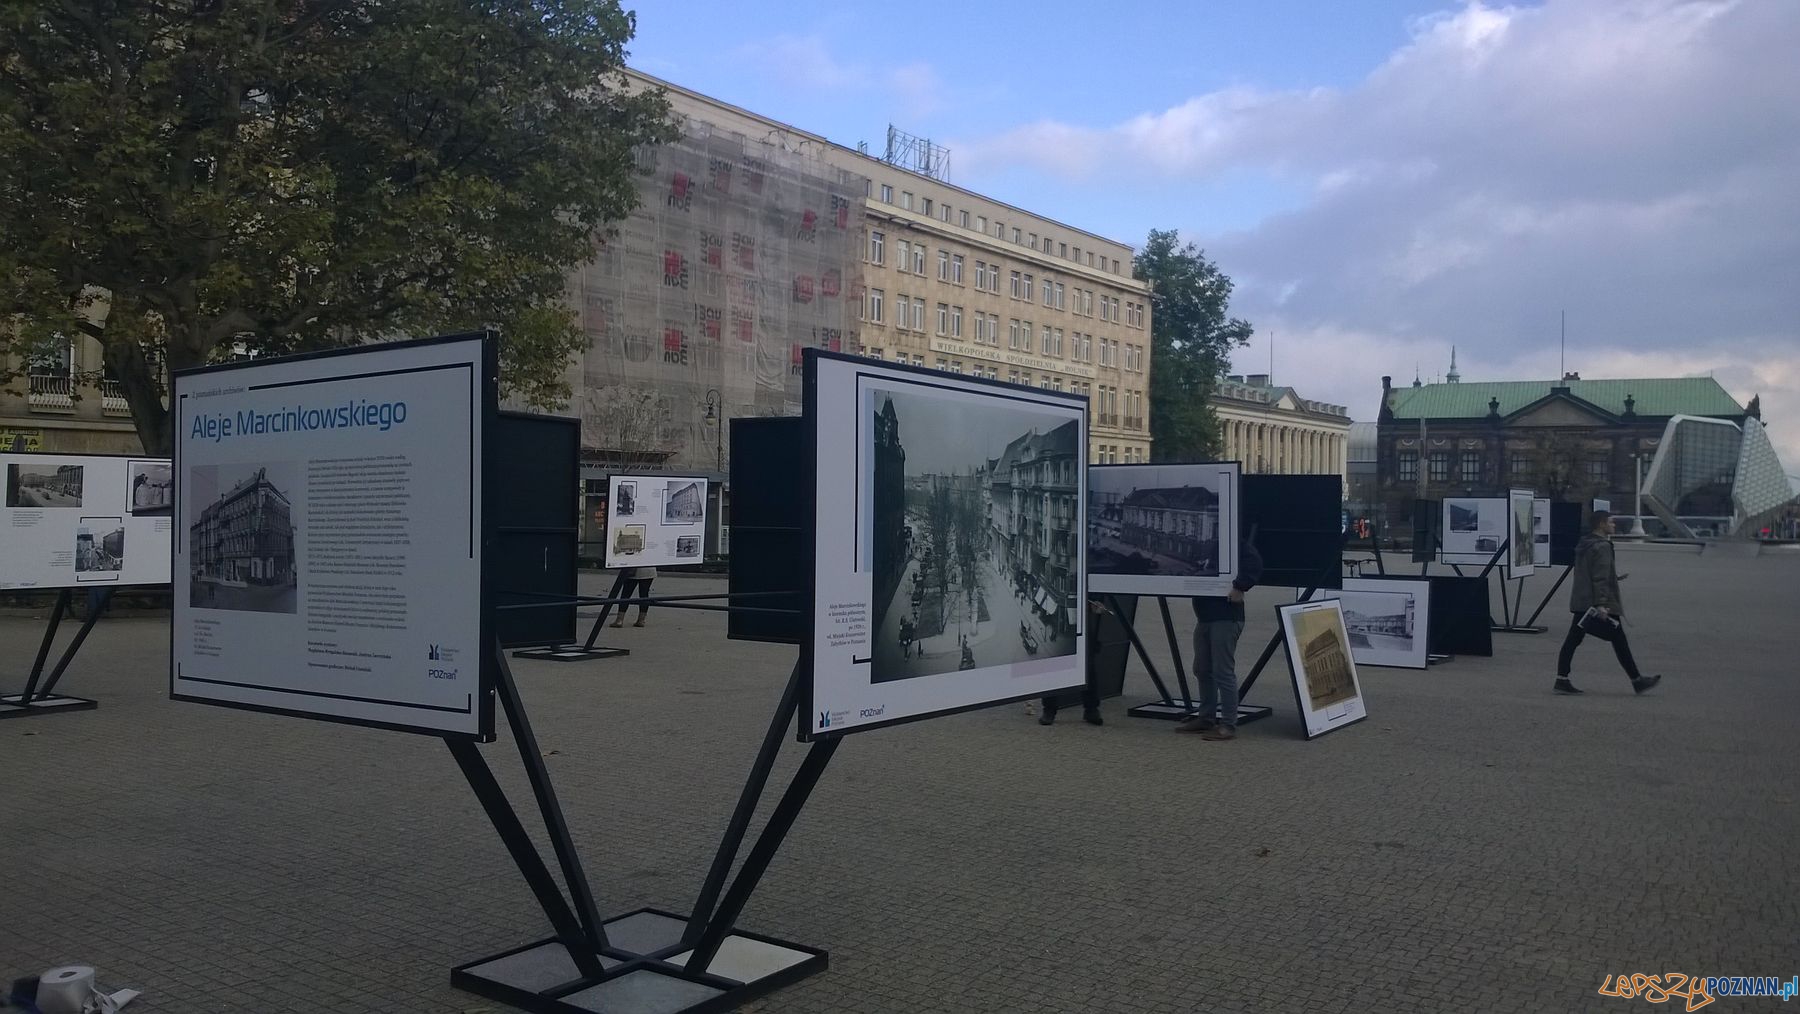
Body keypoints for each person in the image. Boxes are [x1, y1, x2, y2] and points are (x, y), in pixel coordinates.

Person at [1555, 511, 1661, 695]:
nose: (1614, 525)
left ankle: (1562, 679)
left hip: (1582, 600)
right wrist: (1601, 603)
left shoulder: (1584, 544)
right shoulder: (1602, 546)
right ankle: (1637, 680)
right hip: (1596, 602)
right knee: (1618, 639)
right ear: (1601, 524)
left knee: (1573, 640)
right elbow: (1600, 577)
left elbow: (1589, 572)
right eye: (1611, 522)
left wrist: (1614, 577)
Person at [1177, 537, 1266, 740]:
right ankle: (1206, 718)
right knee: (1202, 668)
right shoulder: (1212, 544)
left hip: (1226, 617)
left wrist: (1240, 586)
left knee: (1222, 671)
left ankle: (1228, 724)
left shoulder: (1234, 540)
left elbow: (1255, 562)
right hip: (1205, 617)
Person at [1039, 598, 1113, 726]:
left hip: (1082, 613)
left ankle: (1091, 709)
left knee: (1087, 667)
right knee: (1053, 665)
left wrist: (1098, 600)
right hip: (1059, 608)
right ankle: (1049, 709)